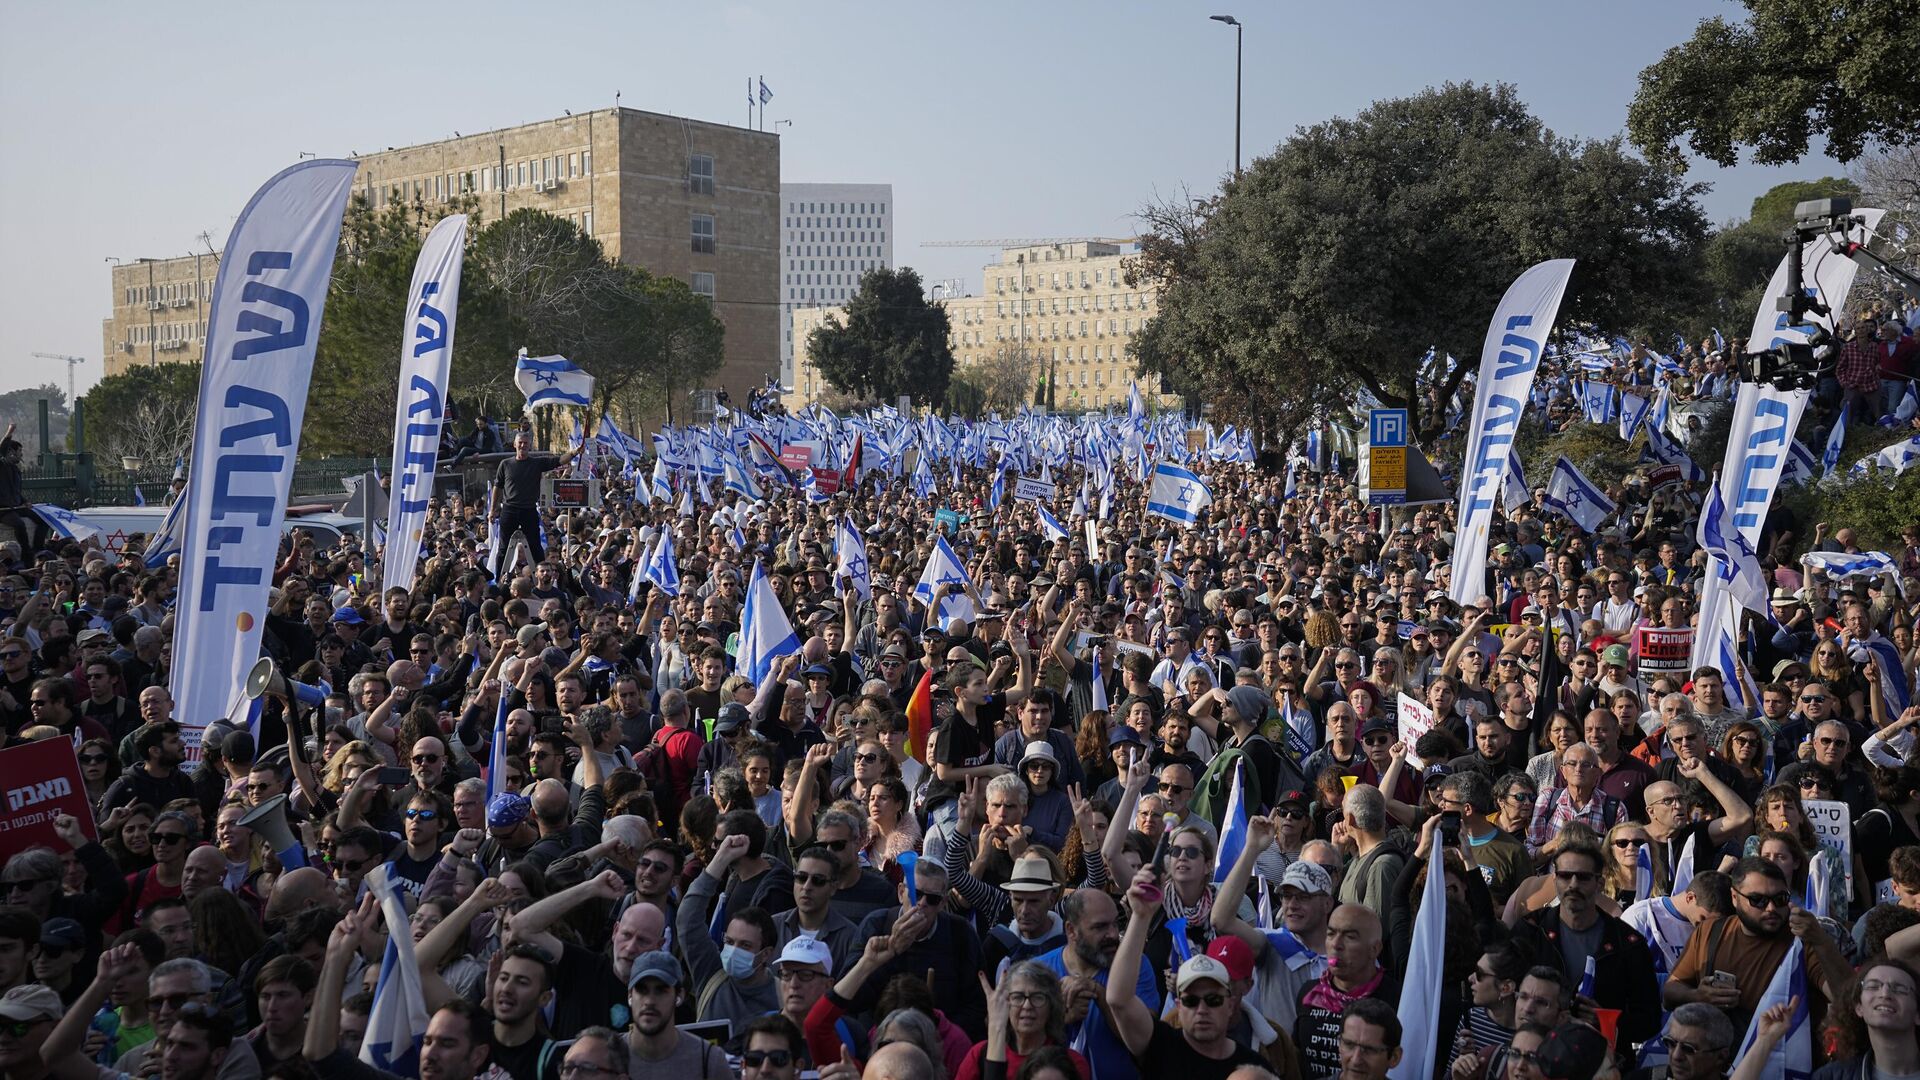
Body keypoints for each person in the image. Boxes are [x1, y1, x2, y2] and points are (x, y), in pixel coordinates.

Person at [1106, 870, 1271, 1079]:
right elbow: (1118, 1000)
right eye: (1191, 1000)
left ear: (1230, 1005)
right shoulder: (1161, 1046)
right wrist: (1140, 917)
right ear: (1179, 1005)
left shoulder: (1255, 1067)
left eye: (1213, 999)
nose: (1202, 1010)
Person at [1667, 857, 1851, 1035]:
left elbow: (1848, 1001)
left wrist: (1821, 941)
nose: (1771, 908)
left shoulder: (1802, 941)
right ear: (1734, 897)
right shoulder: (1709, 931)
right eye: (1758, 900)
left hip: (1783, 1060)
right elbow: (1670, 991)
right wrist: (1697, 996)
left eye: (1780, 899)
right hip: (1716, 1059)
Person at [1508, 840, 1661, 1047]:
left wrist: (1605, 1020)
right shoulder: (1531, 930)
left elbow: (1649, 1021)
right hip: (1536, 1054)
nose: (1573, 885)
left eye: (1583, 877)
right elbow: (1507, 992)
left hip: (1599, 1060)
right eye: (1564, 876)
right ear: (1554, 879)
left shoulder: (1627, 943)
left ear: (1599, 882)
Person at [622, 949, 730, 1079]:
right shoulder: (606, 1055)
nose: (649, 1001)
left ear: (679, 995)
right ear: (630, 995)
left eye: (661, 990)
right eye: (642, 990)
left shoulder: (709, 1060)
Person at [492, 430, 579, 566]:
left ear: (530, 445)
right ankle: (499, 580)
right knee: (503, 548)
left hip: (529, 510)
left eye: (525, 443)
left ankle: (543, 574)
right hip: (509, 510)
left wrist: (574, 453)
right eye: (520, 443)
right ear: (514, 444)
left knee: (535, 547)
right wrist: (492, 509)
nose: (522, 446)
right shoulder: (505, 464)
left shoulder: (537, 463)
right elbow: (497, 487)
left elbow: (559, 461)